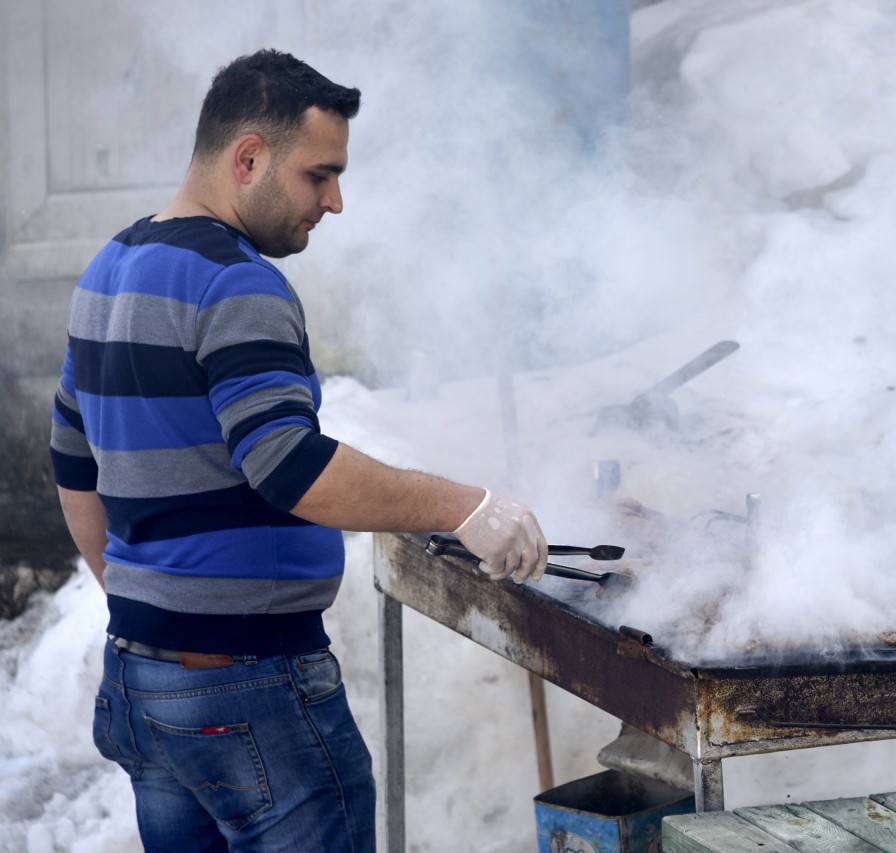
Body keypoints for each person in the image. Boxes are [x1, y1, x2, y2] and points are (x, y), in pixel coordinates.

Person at [48, 48, 547, 852]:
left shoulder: (108, 270)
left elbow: (74, 469)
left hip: (145, 683)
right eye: (320, 175)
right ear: (248, 158)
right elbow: (288, 466)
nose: (336, 201)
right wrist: (468, 507)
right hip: (250, 691)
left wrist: (148, 609)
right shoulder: (236, 285)